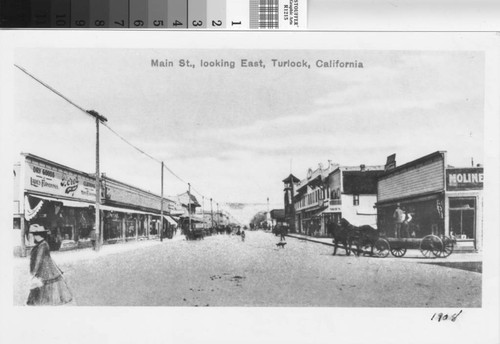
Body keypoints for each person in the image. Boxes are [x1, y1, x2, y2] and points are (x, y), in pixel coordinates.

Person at [26, 224, 73, 306]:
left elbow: (38, 260)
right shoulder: (41, 244)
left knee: (44, 287)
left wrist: (33, 272)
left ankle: (44, 302)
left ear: (37, 235)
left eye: (33, 235)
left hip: (45, 269)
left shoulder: (42, 245)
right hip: (46, 268)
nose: (33, 237)